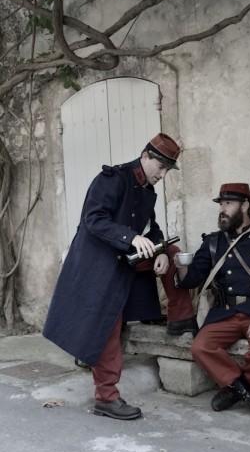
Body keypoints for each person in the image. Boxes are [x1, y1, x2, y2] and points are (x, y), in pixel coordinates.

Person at [43, 133, 197, 421]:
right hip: (99, 264)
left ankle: (181, 318)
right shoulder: (113, 179)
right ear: (146, 156)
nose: (162, 175)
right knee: (107, 326)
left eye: (167, 170)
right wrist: (131, 237)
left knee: (173, 251)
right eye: (161, 167)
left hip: (126, 260)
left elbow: (151, 227)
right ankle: (106, 397)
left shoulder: (148, 189)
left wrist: (160, 249)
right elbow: (94, 219)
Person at [174, 183, 250, 423]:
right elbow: (193, 278)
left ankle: (233, 390)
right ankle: (249, 394)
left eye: (228, 203)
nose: (222, 209)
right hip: (225, 312)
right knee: (200, 347)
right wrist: (180, 268)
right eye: (221, 204)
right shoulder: (213, 242)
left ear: (245, 205)